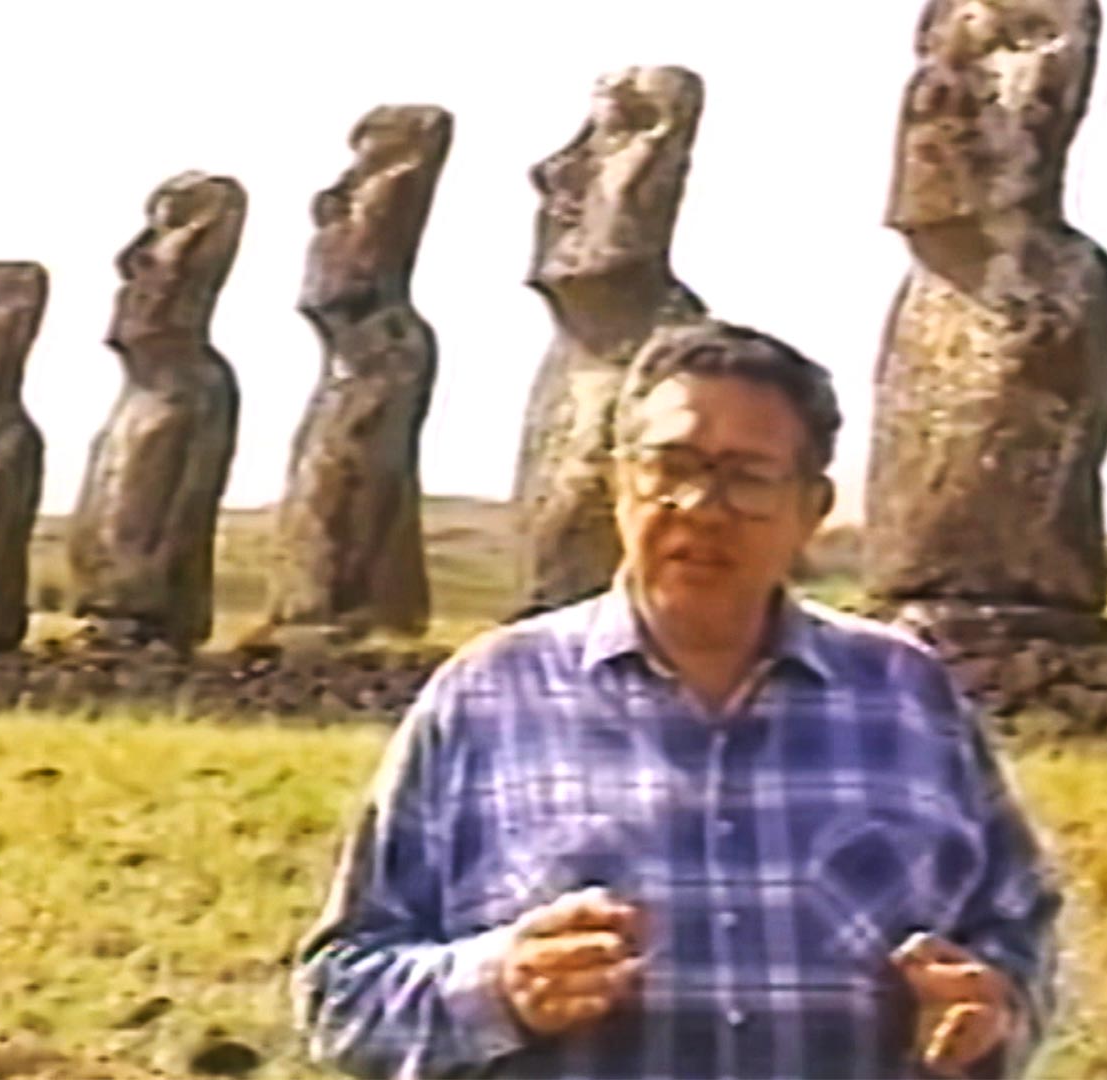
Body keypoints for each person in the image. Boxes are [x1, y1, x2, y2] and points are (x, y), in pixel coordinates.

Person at [293, 320, 1061, 1079]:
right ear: (618, 483)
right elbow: (343, 995)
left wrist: (990, 1010)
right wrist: (497, 986)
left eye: (747, 477)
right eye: (670, 465)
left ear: (811, 508)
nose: (700, 504)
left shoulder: (907, 696)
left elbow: (1019, 932)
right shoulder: (488, 697)